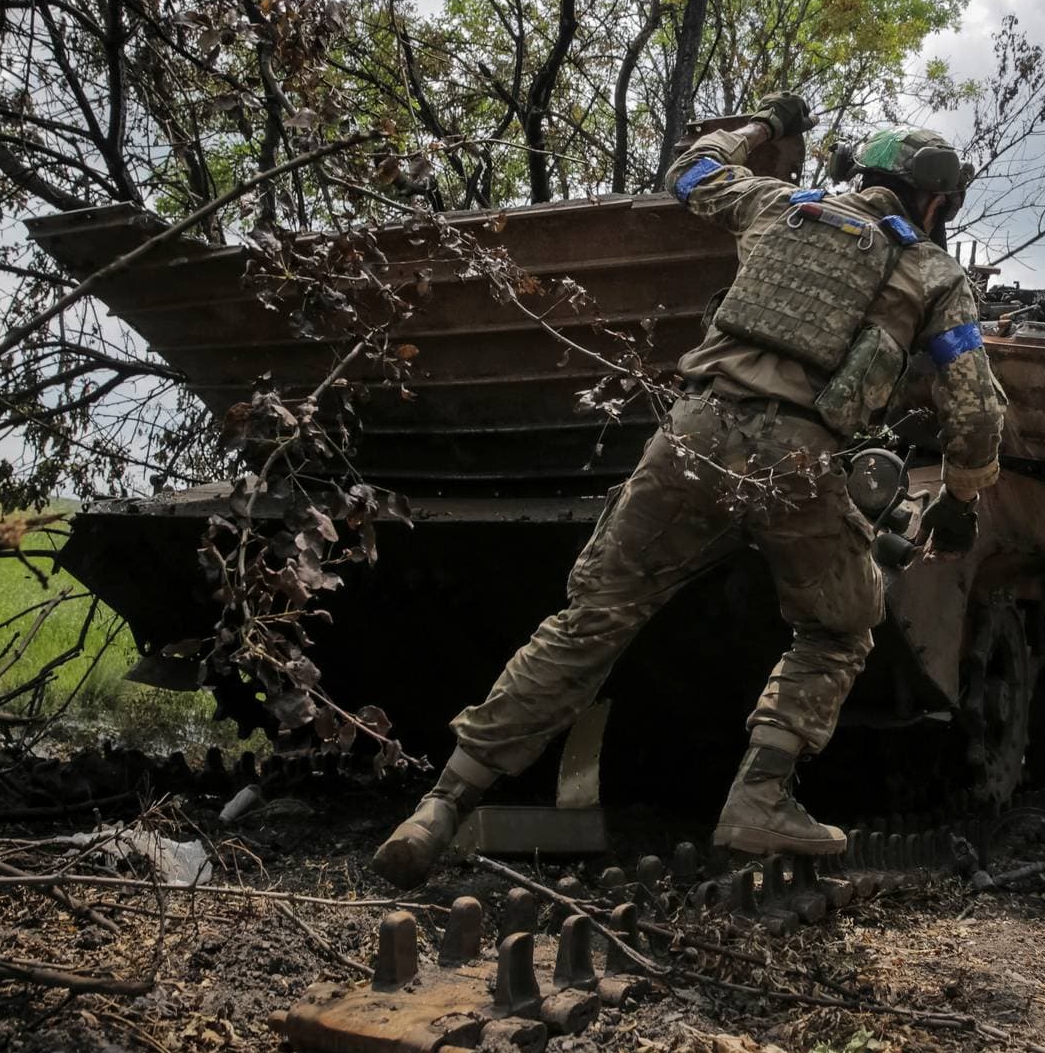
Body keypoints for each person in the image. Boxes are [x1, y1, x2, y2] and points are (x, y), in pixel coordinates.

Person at [371, 95, 1005, 890]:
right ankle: (759, 795)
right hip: (797, 463)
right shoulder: (932, 271)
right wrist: (961, 495)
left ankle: (440, 804)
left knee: (589, 622)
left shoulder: (781, 206)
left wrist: (767, 126)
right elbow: (975, 414)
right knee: (843, 626)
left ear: (862, 173)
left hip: (692, 435)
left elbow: (691, 170)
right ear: (936, 201)